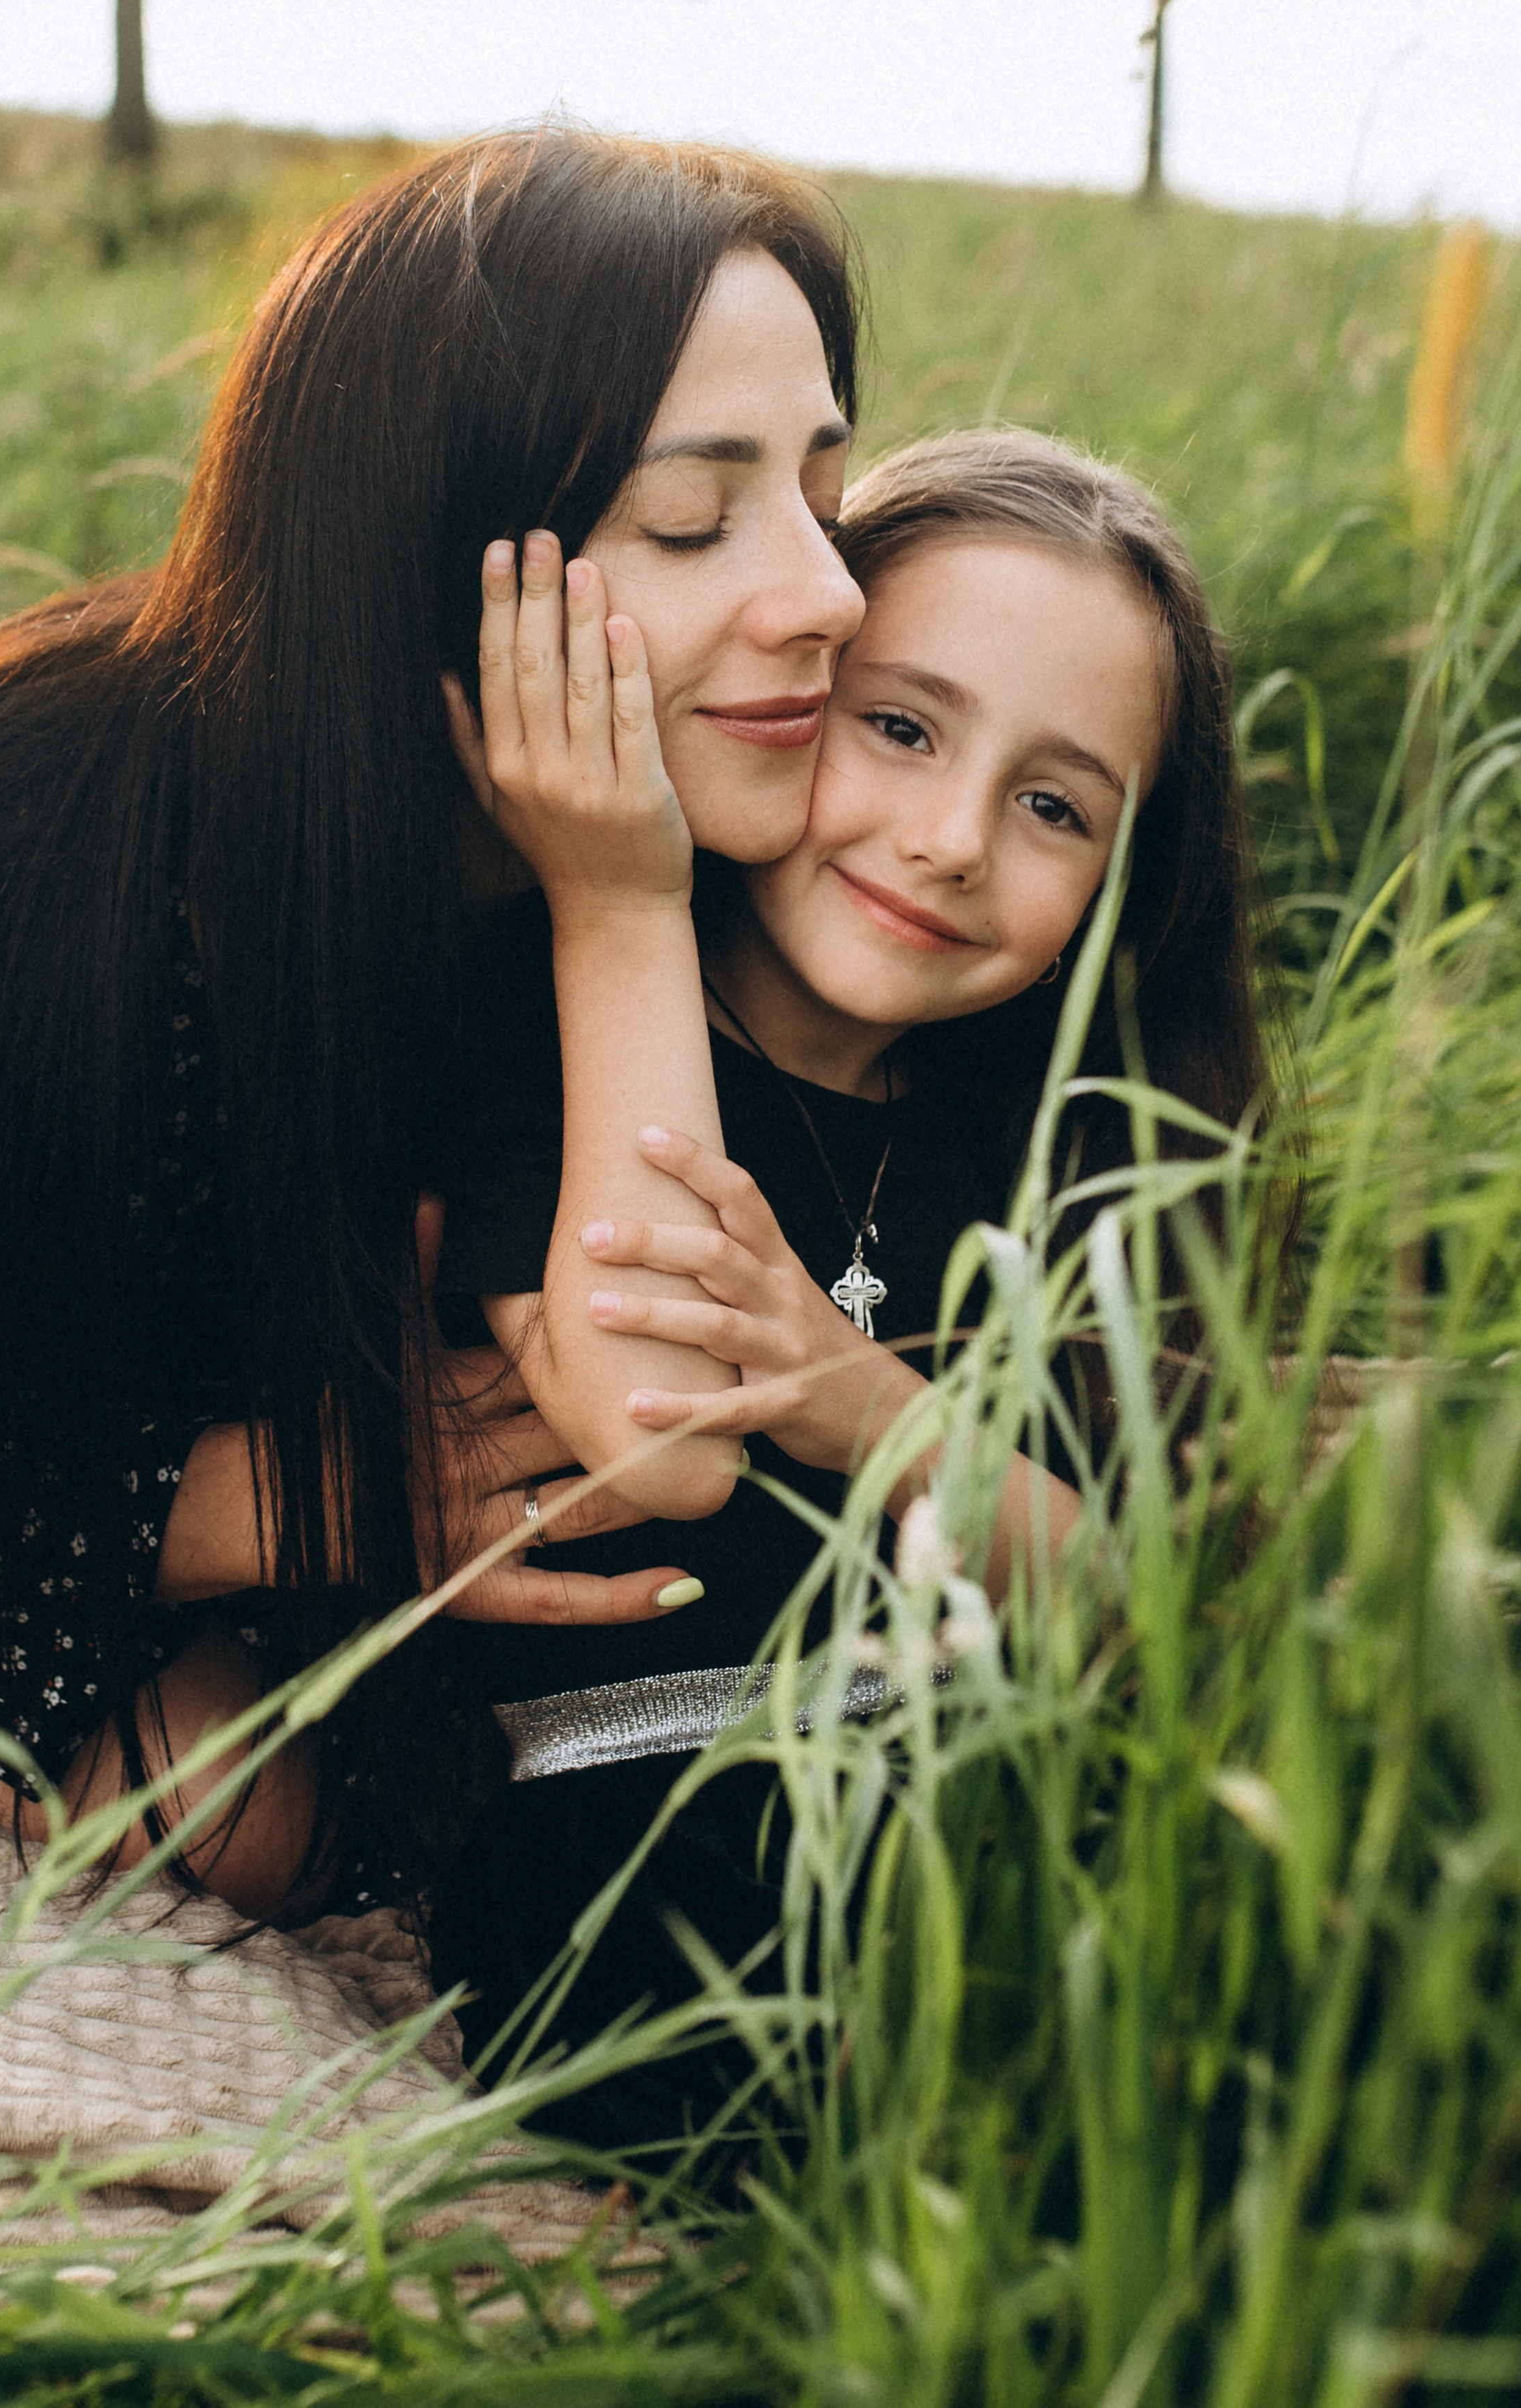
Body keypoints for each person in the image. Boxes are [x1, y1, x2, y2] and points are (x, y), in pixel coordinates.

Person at [0, 125, 865, 1923]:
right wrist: (297, 1502)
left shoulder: (765, 847)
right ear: (424, 559)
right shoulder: (11, 882)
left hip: (433, 1643)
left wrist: (622, 909)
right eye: (694, 516)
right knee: (204, 1804)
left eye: (826, 491)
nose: (826, 594)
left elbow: (672, 1415)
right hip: (38, 1574)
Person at [428, 427, 1274, 2148]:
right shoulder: (555, 1036)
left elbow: (1130, 1608)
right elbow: (650, 1413)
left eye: (1053, 806)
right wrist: (628, 893)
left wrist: (861, 1400)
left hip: (1004, 1845)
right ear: (779, 696)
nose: (951, 839)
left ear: (1123, 881)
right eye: (898, 727)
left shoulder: (1071, 1148)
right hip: (637, 1872)